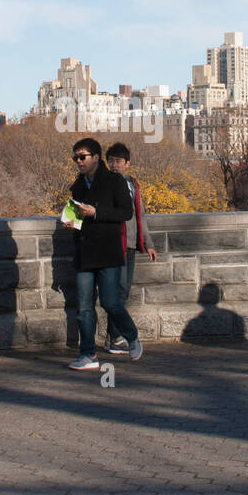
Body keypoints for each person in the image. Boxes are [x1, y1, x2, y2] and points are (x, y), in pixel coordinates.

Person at [64, 138, 143, 370]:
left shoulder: (113, 181)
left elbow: (126, 212)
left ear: (96, 158)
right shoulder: (78, 184)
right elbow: (76, 215)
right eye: (76, 157)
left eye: (83, 157)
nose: (78, 161)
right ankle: (88, 354)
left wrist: (96, 212)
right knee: (84, 307)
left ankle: (131, 337)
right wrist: (72, 222)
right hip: (84, 252)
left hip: (108, 251)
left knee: (111, 302)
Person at [103, 142, 157, 355]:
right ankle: (115, 337)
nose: (114, 165)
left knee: (122, 290)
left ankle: (113, 337)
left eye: (118, 161)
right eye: (111, 161)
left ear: (127, 163)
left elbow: (140, 214)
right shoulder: (104, 183)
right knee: (117, 290)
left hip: (132, 243)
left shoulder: (133, 184)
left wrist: (149, 244)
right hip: (114, 242)